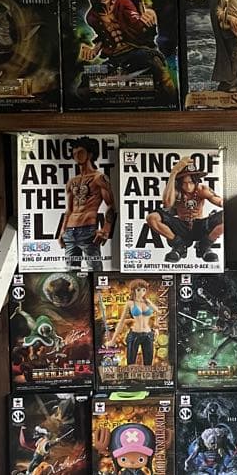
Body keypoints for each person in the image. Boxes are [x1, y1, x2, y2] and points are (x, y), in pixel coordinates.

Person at [77, 0, 176, 102]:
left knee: (153, 63)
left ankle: (170, 97)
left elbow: (139, 27)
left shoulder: (124, 3)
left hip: (136, 51)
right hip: (115, 58)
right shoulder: (92, 17)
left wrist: (150, 16)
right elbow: (102, 37)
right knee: (85, 85)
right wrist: (94, 50)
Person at [146, 156, 224, 264]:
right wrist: (173, 173)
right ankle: (179, 245)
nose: (188, 186)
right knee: (152, 218)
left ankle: (204, 246)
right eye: (184, 183)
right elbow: (167, 204)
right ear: (180, 182)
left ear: (196, 181)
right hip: (181, 227)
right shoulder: (176, 191)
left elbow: (219, 201)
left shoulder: (202, 189)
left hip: (199, 226)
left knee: (228, 216)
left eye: (191, 182)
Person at [57, 138, 116, 272]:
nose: (76, 156)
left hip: (88, 230)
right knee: (71, 273)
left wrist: (105, 230)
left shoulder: (98, 178)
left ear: (89, 154)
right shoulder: (72, 181)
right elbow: (69, 210)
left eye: (80, 152)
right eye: (74, 153)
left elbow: (111, 205)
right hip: (70, 232)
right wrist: (62, 231)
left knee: (95, 271)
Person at [106, 279, 156, 367]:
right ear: (133, 290)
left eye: (144, 290)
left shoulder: (147, 302)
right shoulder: (130, 303)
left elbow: (158, 312)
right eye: (138, 290)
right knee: (131, 364)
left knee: (148, 365)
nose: (141, 292)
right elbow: (121, 322)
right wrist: (113, 340)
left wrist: (156, 328)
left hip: (148, 334)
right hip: (134, 334)